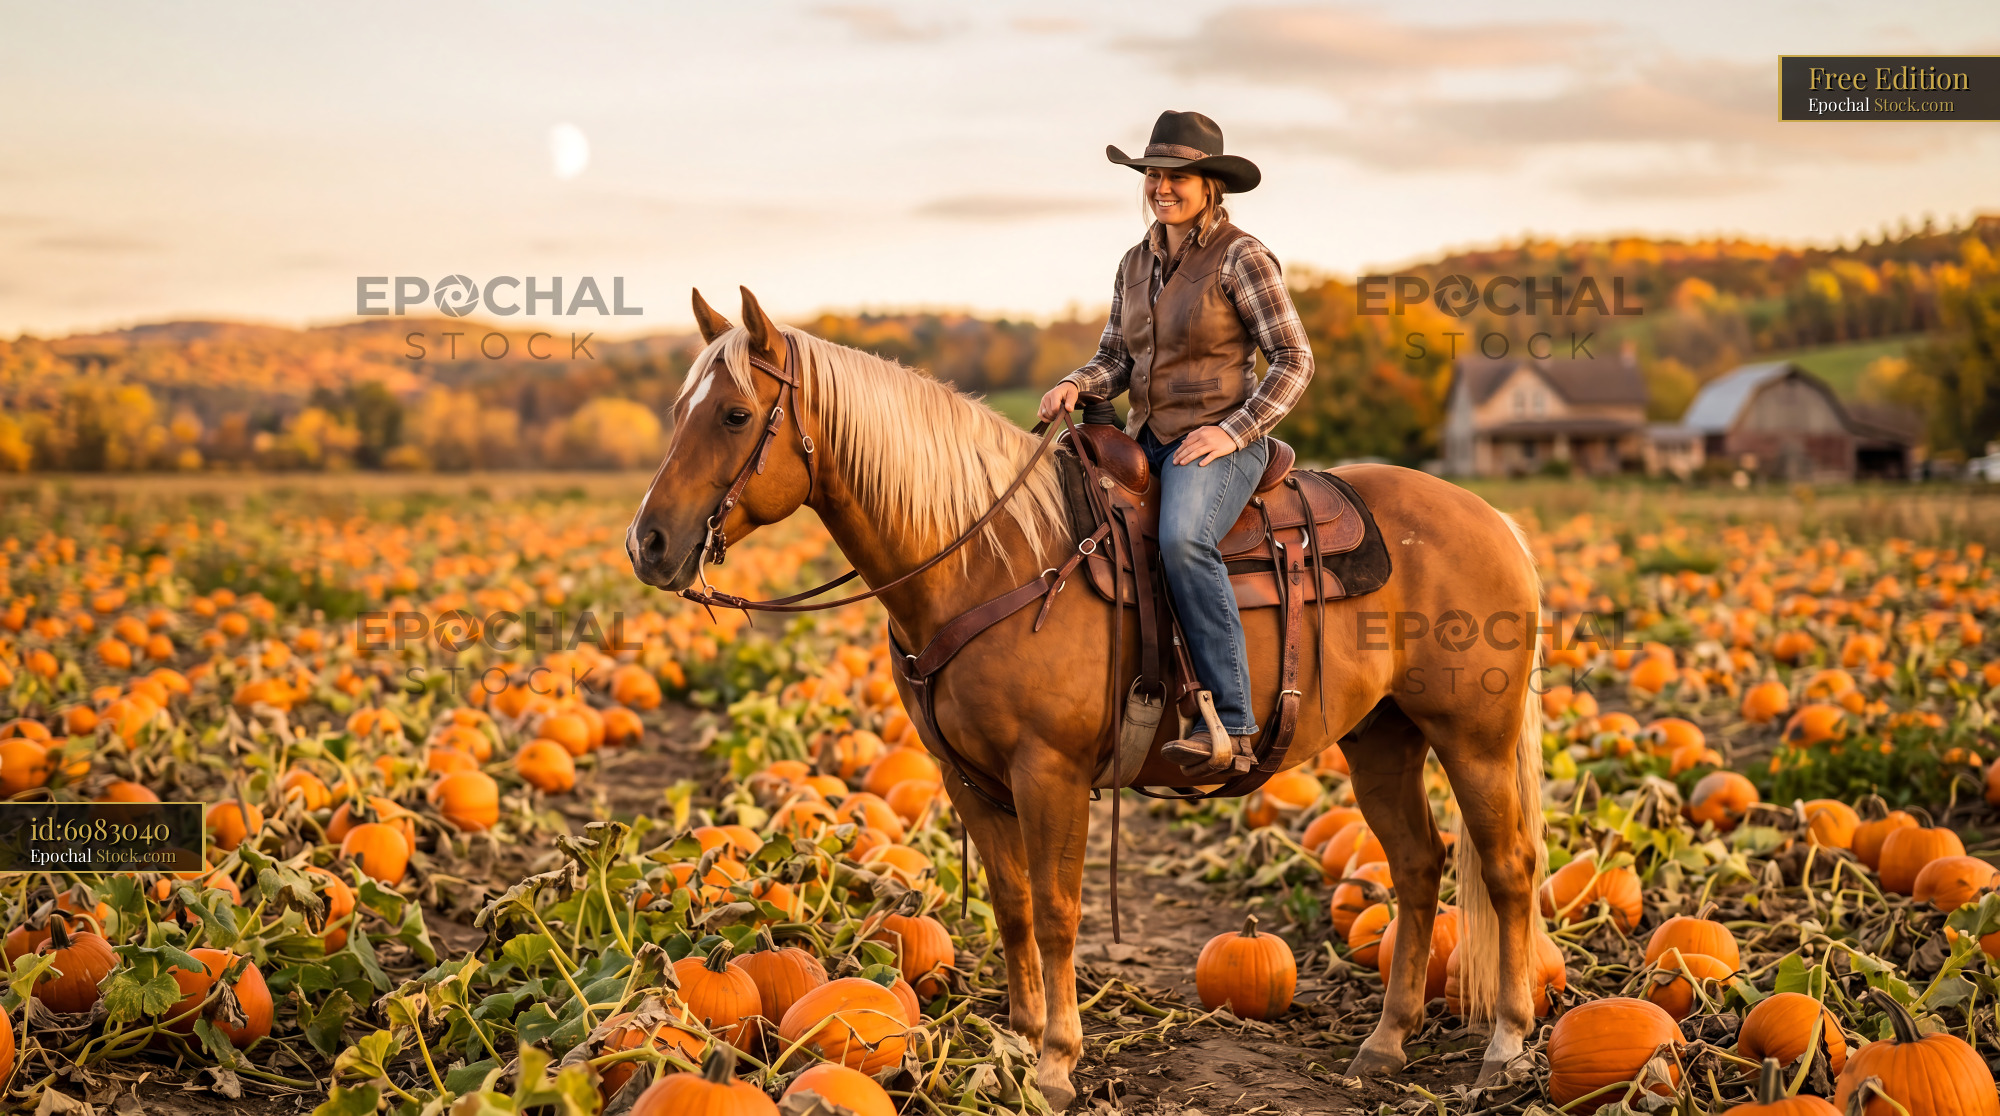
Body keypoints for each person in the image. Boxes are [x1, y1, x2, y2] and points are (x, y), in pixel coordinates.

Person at [1039, 109, 1315, 779]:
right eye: (1154, 176)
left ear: (1209, 185)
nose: (1163, 188)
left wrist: (1233, 430)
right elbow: (1115, 357)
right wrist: (1078, 383)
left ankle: (1234, 720)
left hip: (1223, 441)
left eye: (1178, 177)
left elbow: (1294, 358)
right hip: (1147, 437)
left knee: (1182, 538)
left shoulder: (1241, 256)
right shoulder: (1135, 264)